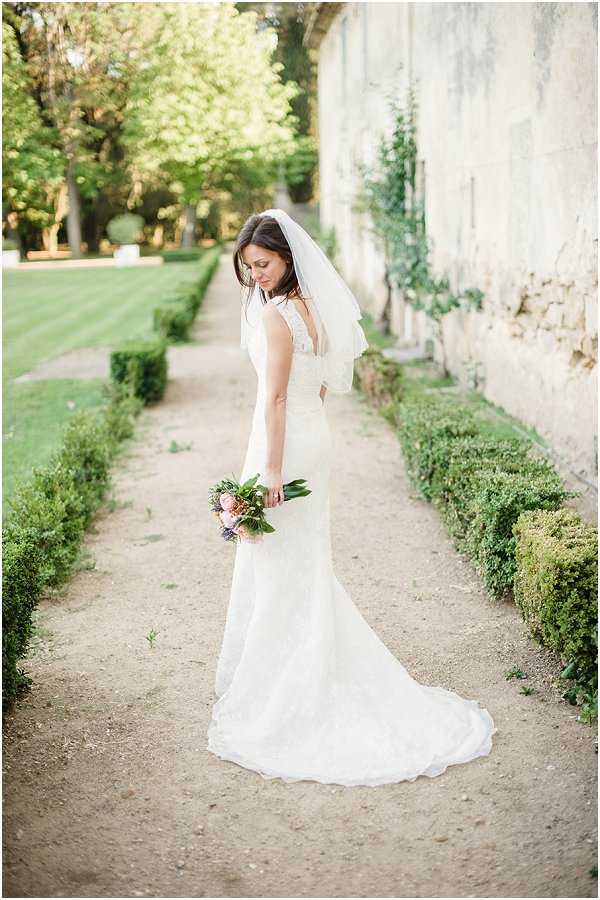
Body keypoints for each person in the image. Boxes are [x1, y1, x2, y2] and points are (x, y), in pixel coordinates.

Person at [206, 208, 497, 786]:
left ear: (287, 257)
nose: (256, 275)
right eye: (249, 268)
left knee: (278, 562)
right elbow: (318, 386)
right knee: (303, 561)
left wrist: (268, 469)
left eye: (262, 264)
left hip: (282, 446)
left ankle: (287, 686)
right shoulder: (314, 308)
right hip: (314, 439)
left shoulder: (275, 318)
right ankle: (303, 665)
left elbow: (278, 399)